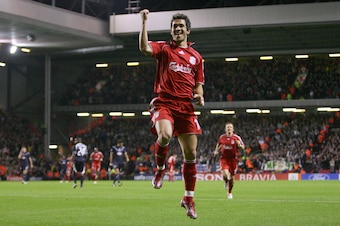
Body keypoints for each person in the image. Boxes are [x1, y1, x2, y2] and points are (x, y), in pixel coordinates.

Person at [139, 9, 205, 219]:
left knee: (191, 154)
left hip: (186, 106)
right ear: (171, 30)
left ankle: (188, 199)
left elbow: (199, 85)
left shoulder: (196, 58)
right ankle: (160, 168)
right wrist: (144, 23)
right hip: (165, 102)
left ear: (188, 31)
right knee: (165, 135)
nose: (177, 29)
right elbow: (144, 48)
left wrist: (199, 96)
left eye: (181, 26)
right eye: (174, 26)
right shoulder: (165, 49)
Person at [214, 122, 245, 200]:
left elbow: (243, 147)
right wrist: (216, 151)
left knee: (231, 178)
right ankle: (225, 182)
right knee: (225, 174)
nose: (229, 128)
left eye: (230, 127)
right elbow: (219, 144)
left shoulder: (236, 138)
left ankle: (229, 192)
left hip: (233, 159)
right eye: (227, 127)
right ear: (225, 129)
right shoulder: (222, 137)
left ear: (233, 129)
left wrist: (239, 145)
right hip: (224, 158)